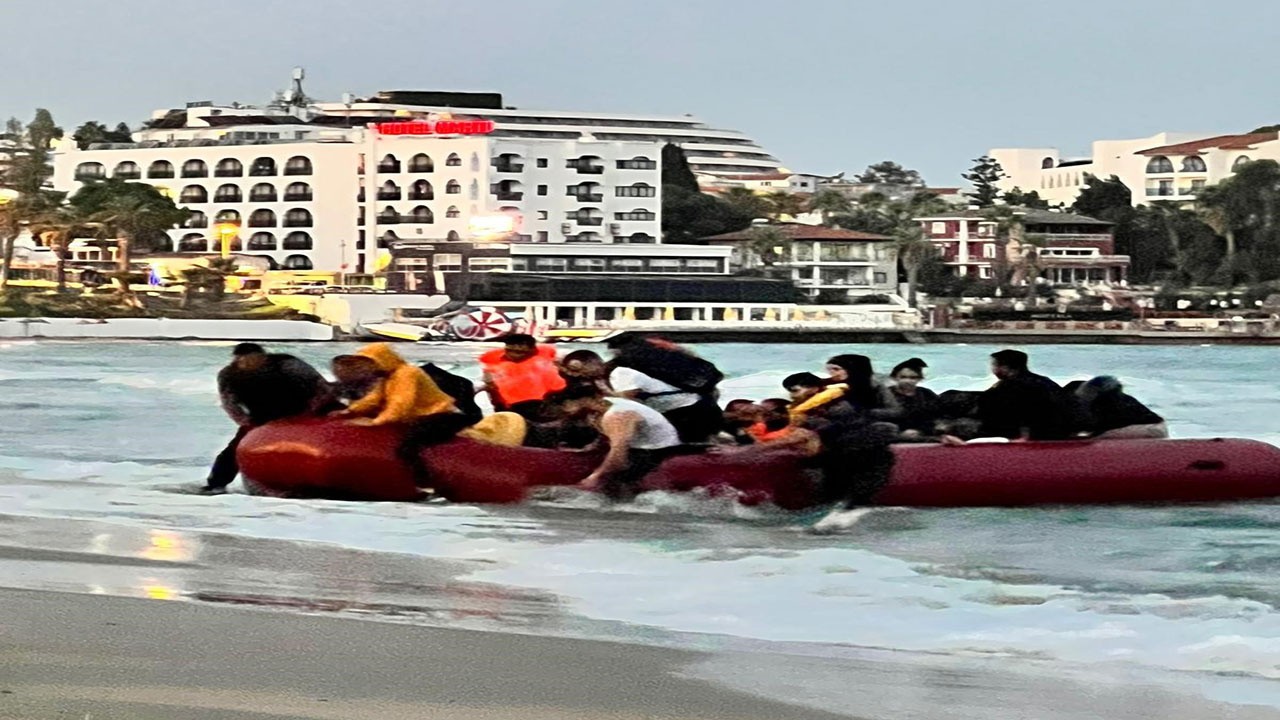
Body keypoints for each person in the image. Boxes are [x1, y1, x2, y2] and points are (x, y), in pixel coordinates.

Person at [336, 343, 476, 487]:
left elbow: (401, 404)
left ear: (382, 359)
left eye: (370, 363)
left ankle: (425, 484)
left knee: (408, 447)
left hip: (445, 415)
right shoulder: (387, 378)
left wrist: (377, 422)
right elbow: (373, 399)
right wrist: (350, 411)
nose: (367, 368)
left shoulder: (408, 373)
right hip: (424, 417)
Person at [206, 343, 332, 492]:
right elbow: (229, 404)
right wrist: (247, 424)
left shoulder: (287, 365)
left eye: (253, 359)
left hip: (306, 407)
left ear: (263, 357)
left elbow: (322, 388)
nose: (248, 364)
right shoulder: (228, 374)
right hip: (263, 415)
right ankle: (216, 485)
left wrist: (310, 412)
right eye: (242, 361)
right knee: (236, 449)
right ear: (236, 360)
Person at [556, 384, 684, 497]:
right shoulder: (602, 407)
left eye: (568, 404)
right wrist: (591, 448)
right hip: (639, 445)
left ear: (588, 400)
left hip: (658, 448)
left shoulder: (618, 415)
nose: (566, 409)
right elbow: (609, 433)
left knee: (616, 482)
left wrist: (596, 476)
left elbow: (619, 456)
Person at [607, 337, 723, 444]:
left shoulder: (623, 371)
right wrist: (678, 349)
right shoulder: (668, 361)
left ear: (616, 352)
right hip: (706, 409)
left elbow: (625, 402)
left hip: (680, 417)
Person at [977, 349, 1072, 441]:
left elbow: (1023, 411)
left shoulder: (1011, 386)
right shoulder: (1043, 381)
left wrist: (1025, 436)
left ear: (1005, 367)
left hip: (1030, 433)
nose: (993, 369)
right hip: (1059, 430)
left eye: (994, 365)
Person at [479, 334, 566, 421]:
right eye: (510, 349)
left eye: (520, 351)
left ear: (532, 350)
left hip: (542, 404)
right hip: (507, 406)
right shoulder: (493, 360)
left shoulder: (544, 356)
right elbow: (489, 382)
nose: (514, 354)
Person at [1070, 376, 1168, 439]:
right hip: (1154, 426)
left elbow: (1098, 425)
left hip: (1147, 428)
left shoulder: (1108, 404)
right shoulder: (1120, 399)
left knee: (1095, 441)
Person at [877, 358, 941, 440]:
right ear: (895, 378)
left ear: (919, 379)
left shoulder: (926, 394)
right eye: (903, 377)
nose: (908, 381)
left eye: (913, 378)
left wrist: (921, 431)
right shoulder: (884, 394)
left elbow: (935, 416)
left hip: (923, 435)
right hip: (893, 437)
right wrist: (899, 434)